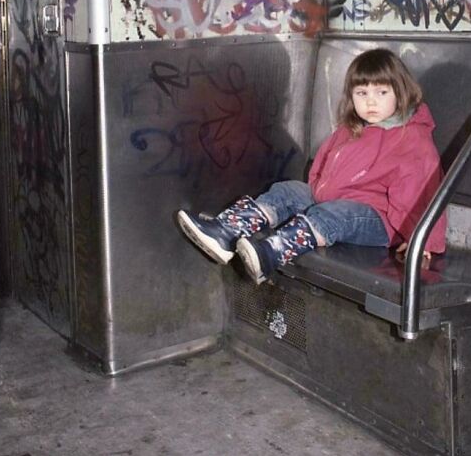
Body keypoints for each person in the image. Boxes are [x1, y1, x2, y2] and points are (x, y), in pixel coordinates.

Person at [177, 48, 447, 285]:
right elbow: (324, 165)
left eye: (382, 92)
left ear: (400, 92)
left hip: (379, 220)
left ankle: (271, 252)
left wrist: (422, 240)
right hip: (336, 201)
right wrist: (316, 189)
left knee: (334, 213)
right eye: (362, 93)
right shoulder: (352, 128)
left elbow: (423, 193)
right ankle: (226, 232)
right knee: (288, 190)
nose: (371, 101)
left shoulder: (411, 139)